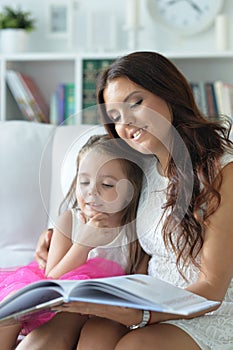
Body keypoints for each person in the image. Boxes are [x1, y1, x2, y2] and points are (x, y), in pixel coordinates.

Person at [21, 51, 233, 350]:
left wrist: (139, 314)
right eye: (115, 116)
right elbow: (95, 208)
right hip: (150, 298)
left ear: (168, 92)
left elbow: (212, 289)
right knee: (94, 336)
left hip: (206, 310)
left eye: (136, 102)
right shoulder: (139, 167)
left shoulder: (222, 170)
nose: (126, 123)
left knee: (134, 346)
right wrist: (57, 235)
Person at [0, 133, 145, 350]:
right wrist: (83, 245)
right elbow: (52, 279)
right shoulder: (69, 221)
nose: (91, 191)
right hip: (50, 302)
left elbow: (141, 289)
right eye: (84, 181)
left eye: (106, 185)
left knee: (64, 327)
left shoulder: (133, 235)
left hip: (95, 312)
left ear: (129, 193)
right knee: (8, 310)